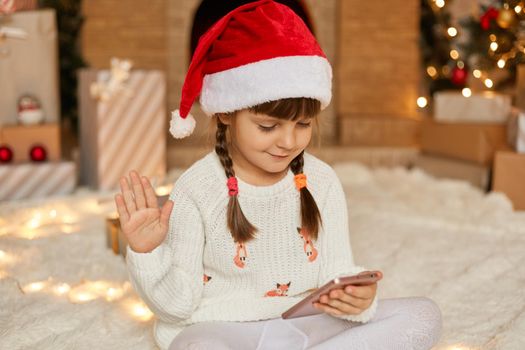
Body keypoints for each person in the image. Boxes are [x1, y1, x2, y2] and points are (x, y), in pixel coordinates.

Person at [114, 1, 442, 349]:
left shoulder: (323, 182)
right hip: (225, 330)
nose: (288, 142)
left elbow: (335, 273)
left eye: (302, 125)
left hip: (303, 327)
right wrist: (148, 254)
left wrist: (357, 300)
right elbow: (177, 309)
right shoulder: (196, 189)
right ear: (226, 113)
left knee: (424, 314)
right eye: (268, 126)